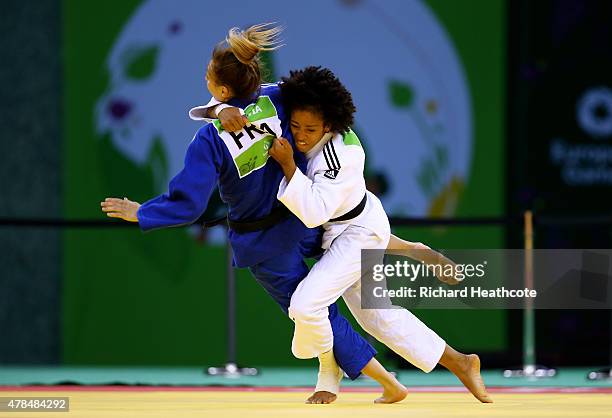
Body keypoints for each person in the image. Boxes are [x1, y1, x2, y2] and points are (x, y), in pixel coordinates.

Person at [101, 23, 385, 404]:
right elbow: (315, 94)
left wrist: (144, 213)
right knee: (326, 302)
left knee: (309, 309)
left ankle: (385, 379)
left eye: (208, 75)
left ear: (220, 89)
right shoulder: (281, 100)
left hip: (266, 242)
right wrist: (224, 108)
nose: (203, 76)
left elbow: (189, 202)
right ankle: (344, 369)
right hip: (307, 216)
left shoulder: (209, 139)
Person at [267, 66, 493, 404]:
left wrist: (287, 165)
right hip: (358, 226)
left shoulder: (341, 156)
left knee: (305, 305)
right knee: (379, 319)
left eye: (310, 129)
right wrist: (224, 107)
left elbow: (314, 212)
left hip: (357, 234)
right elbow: (271, 94)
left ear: (329, 125)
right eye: (295, 126)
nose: (300, 136)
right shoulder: (310, 123)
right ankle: (461, 362)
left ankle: (329, 370)